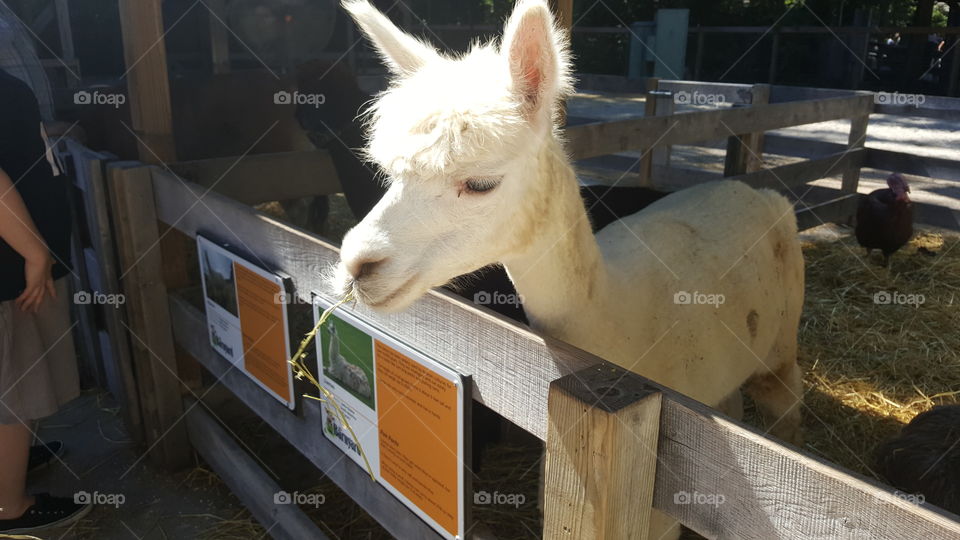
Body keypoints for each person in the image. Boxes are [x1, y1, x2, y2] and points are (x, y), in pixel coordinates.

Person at [0, 67, 89, 534]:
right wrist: (35, 252)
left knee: (15, 380)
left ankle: (8, 465)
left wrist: (49, 133)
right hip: (11, 270)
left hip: (16, 266)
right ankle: (8, 507)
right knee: (12, 388)